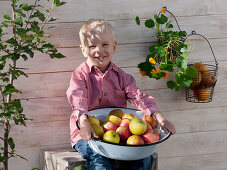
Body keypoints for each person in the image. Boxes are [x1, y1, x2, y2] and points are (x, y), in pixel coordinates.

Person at [66, 18, 176, 170]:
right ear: (83, 50)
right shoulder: (80, 75)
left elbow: (139, 97)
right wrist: (83, 122)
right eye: (92, 46)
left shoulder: (123, 77)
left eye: (105, 44)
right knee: (100, 160)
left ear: (114, 46)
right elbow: (77, 98)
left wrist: (160, 118)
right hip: (88, 136)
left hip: (118, 135)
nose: (99, 50)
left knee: (143, 158)